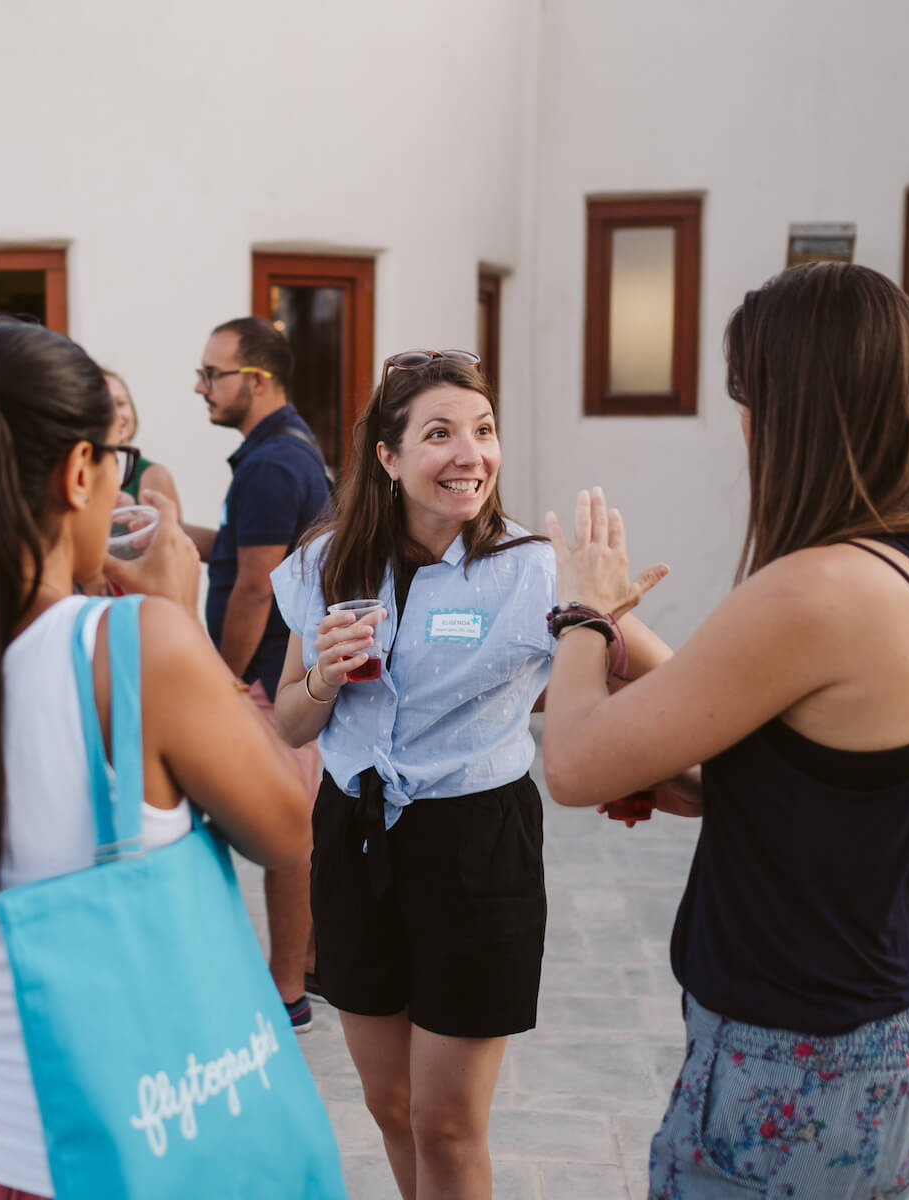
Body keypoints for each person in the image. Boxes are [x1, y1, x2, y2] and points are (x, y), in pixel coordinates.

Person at [0, 319, 311, 1199]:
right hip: (149, 1148)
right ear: (81, 470)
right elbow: (287, 827)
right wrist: (186, 622)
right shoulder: (136, 646)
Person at [538, 263, 909, 1199]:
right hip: (893, 1048)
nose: (741, 426)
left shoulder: (810, 590)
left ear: (795, 410)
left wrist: (580, 614)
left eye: (746, 396)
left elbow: (573, 763)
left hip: (791, 1070)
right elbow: (901, 812)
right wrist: (710, 781)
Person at [268, 348, 667, 1199]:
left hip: (475, 846)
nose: (470, 455)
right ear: (388, 455)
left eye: (483, 431)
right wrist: (322, 677)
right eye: (440, 433)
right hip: (354, 835)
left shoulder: (532, 571)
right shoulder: (325, 563)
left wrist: (598, 628)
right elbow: (290, 722)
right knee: (391, 1105)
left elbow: (669, 683)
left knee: (448, 1126)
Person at [185, 316, 331, 1032]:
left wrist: (220, 680)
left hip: (272, 676)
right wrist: (176, 532)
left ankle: (285, 991)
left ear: (260, 380)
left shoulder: (273, 464)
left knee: (283, 832)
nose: (200, 386)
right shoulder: (283, 451)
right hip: (278, 671)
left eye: (214, 374)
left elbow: (254, 586)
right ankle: (299, 969)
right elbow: (244, 552)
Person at [101, 368, 181, 516]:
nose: (116, 415)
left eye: (120, 403)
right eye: (104, 406)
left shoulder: (153, 475)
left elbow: (171, 536)